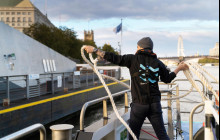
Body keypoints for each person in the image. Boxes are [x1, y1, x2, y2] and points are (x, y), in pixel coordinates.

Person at [84, 37, 189, 140]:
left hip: (139, 106)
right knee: (162, 135)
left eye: (137, 47)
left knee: (133, 136)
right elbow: (167, 79)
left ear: (140, 48)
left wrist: (95, 50)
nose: (136, 49)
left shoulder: (132, 59)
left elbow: (114, 58)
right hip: (155, 105)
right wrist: (179, 68)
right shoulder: (158, 63)